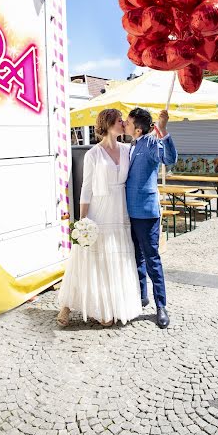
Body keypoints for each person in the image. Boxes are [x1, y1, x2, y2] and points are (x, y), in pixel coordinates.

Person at [57, 109, 142, 327]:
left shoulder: (127, 150)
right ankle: (67, 305)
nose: (123, 123)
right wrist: (83, 221)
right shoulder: (92, 154)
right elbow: (86, 189)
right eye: (119, 121)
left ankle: (109, 305)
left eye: (123, 121)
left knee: (116, 258)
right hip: (98, 210)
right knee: (88, 259)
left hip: (120, 210)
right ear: (108, 124)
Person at [124, 108, 178, 329]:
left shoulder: (150, 142)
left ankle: (161, 306)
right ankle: (142, 296)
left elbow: (170, 159)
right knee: (136, 258)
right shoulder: (130, 145)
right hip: (128, 212)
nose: (124, 124)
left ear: (137, 128)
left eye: (127, 122)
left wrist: (163, 130)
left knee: (152, 259)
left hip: (146, 212)